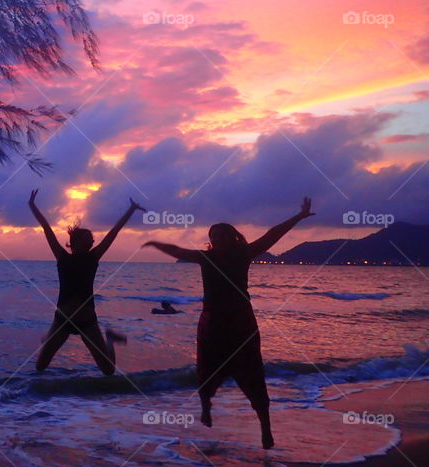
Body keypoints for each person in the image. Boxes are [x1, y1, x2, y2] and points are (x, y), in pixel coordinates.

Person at [143, 197, 315, 449]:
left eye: (223, 236)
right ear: (211, 240)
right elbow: (179, 252)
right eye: (214, 236)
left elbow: (272, 235)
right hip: (211, 322)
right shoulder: (206, 257)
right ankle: (206, 406)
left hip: (241, 322)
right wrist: (156, 243)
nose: (218, 240)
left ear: (233, 238)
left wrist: (298, 217)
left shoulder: (243, 253)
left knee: (253, 372)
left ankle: (265, 428)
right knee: (205, 368)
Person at [29, 190, 145, 375]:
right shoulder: (62, 257)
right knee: (40, 366)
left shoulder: (93, 257)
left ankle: (110, 340)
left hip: (87, 321)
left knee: (108, 370)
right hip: (63, 321)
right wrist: (32, 205)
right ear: (75, 242)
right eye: (89, 240)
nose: (92, 243)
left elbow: (113, 233)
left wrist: (131, 210)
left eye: (92, 241)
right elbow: (46, 228)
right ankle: (50, 339)